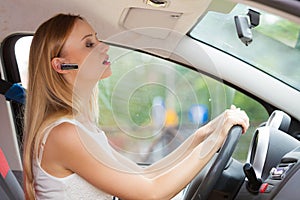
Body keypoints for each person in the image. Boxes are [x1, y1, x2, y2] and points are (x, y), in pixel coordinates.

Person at [23, 13, 249, 200]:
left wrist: (204, 134)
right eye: (89, 44)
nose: (103, 47)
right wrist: (214, 141)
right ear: (62, 65)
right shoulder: (64, 134)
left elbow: (145, 174)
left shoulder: (82, 128)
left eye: (97, 39)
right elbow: (149, 193)